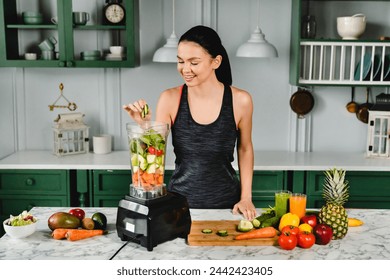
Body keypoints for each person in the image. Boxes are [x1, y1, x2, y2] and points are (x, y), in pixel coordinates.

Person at [123, 25, 256, 220]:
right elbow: (153, 155)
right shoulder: (169, 99)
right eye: (180, 61)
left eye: (194, 62)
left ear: (216, 62)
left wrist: (246, 197)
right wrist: (145, 125)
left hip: (228, 208)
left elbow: (245, 149)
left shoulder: (240, 100)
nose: (185, 69)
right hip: (178, 206)